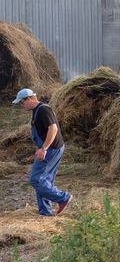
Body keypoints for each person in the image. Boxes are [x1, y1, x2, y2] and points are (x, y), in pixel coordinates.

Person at [12, 88, 71, 216]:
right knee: (45, 180)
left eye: (22, 103)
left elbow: (53, 129)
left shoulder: (43, 109)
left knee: (36, 179)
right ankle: (45, 212)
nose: (21, 106)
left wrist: (44, 148)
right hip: (50, 148)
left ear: (29, 99)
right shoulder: (36, 111)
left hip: (51, 149)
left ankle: (63, 198)